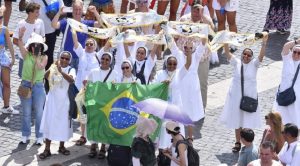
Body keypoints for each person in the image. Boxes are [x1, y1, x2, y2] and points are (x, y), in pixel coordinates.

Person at [219, 33, 268, 153]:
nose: (246, 56)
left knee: (247, 119)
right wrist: (226, 41)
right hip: (236, 95)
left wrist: (264, 43)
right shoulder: (236, 62)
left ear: (252, 57)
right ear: (241, 55)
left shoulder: (254, 64)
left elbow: (261, 56)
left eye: (249, 55)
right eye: (244, 54)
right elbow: (227, 52)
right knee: (237, 119)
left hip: (249, 96)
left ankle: (247, 142)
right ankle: (237, 142)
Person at [154, 39, 193, 150]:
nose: (172, 66)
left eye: (174, 64)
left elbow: (188, 64)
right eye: (170, 64)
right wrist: (163, 84)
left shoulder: (179, 73)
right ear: (166, 64)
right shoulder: (159, 74)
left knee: (176, 128)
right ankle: (163, 150)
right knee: (164, 129)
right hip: (164, 106)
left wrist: (189, 52)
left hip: (176, 105)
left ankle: (176, 149)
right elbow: (154, 86)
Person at [39, 51, 75, 159]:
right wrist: (52, 68)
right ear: (59, 58)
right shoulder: (54, 67)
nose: (64, 60)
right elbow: (45, 76)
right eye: (62, 58)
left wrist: (61, 72)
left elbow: (71, 80)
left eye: (67, 59)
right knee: (50, 123)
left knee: (63, 123)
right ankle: (47, 149)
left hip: (64, 101)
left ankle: (62, 147)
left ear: (69, 61)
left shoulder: (71, 69)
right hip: (52, 101)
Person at [179, 1, 214, 110]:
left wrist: (204, 19)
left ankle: (201, 108)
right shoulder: (183, 19)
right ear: (191, 9)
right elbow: (176, 36)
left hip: (201, 59)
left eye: (200, 10)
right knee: (183, 82)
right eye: (195, 10)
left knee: (202, 84)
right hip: (184, 58)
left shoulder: (207, 21)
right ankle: (183, 105)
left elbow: (212, 36)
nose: (197, 12)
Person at [85, 51, 118, 159]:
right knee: (94, 125)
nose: (104, 61)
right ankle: (93, 147)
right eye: (103, 59)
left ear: (110, 62)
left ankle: (103, 147)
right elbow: (87, 85)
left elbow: (117, 89)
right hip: (94, 103)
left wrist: (114, 86)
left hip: (107, 104)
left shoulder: (115, 74)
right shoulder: (93, 71)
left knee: (104, 125)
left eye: (107, 59)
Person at [52, 0, 102, 70]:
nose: (77, 12)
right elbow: (54, 25)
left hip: (81, 58)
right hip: (67, 58)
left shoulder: (86, 23)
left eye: (79, 9)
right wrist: (59, 13)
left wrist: (95, 12)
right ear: (72, 10)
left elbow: (100, 24)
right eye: (75, 9)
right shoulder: (66, 22)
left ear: (82, 10)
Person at [18, 29, 48, 145]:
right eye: (34, 45)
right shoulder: (26, 55)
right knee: (26, 112)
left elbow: (40, 67)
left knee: (39, 112)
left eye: (38, 45)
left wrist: (36, 58)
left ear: (41, 46)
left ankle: (39, 136)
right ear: (30, 46)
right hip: (26, 85)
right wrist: (20, 37)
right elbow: (20, 45)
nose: (36, 47)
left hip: (39, 86)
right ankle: (25, 135)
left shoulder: (43, 57)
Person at [27, 0, 64, 70]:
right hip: (37, 36)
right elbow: (25, 8)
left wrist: (56, 14)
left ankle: (47, 79)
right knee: (35, 56)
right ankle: (34, 77)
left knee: (49, 57)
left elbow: (63, 12)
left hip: (51, 33)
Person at [13, 2, 45, 78]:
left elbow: (43, 36)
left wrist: (41, 45)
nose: (39, 14)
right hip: (24, 56)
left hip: (36, 56)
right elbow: (14, 40)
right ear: (30, 12)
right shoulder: (21, 24)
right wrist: (25, 47)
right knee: (23, 78)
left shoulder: (40, 22)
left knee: (35, 77)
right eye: (36, 12)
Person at [274, 38, 300, 127]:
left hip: (296, 98)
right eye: (294, 52)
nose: (296, 54)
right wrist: (297, 41)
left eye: (299, 53)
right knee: (279, 121)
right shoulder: (287, 59)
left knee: (295, 121)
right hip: (283, 94)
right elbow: (286, 47)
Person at [0, 6, 17, 114]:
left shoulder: (4, 29)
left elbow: (10, 45)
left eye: (1, 17)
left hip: (2, 57)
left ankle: (6, 106)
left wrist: (13, 58)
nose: (0, 20)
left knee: (7, 83)